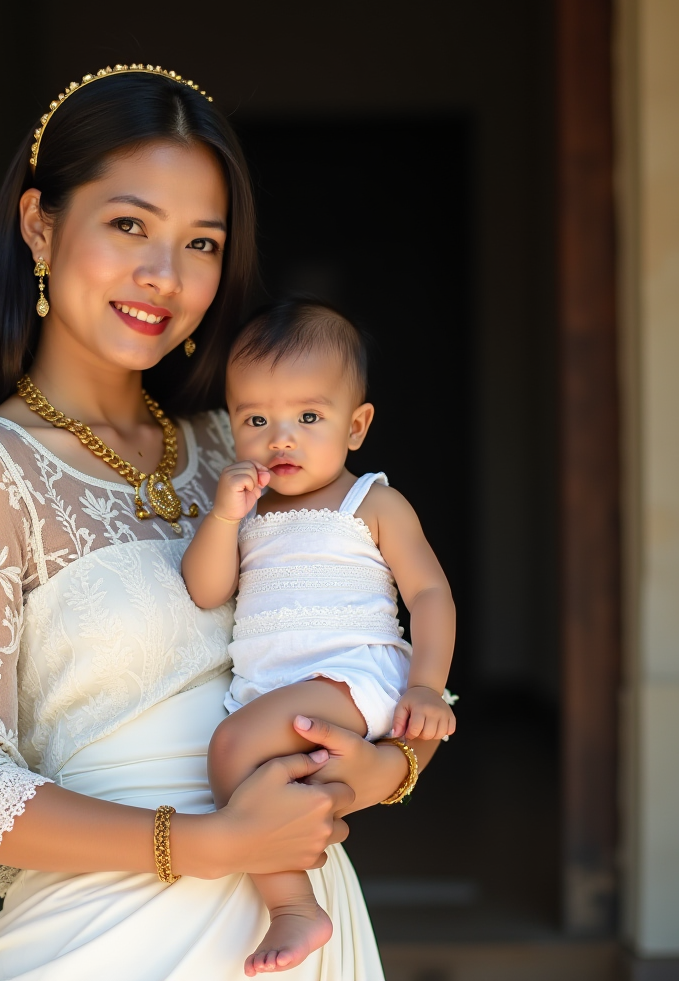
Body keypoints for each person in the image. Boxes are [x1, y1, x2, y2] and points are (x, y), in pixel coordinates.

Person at [0, 65, 441, 981]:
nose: (164, 275)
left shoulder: (247, 444)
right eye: (128, 224)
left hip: (306, 925)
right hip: (102, 942)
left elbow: (370, 642)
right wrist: (206, 844)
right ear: (40, 225)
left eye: (202, 243)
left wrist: (390, 772)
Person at [181, 300, 457, 975]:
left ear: (356, 425)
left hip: (352, 674)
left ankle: (295, 907)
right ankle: (299, 890)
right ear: (231, 426)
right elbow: (205, 589)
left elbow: (429, 594)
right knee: (264, 776)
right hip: (275, 689)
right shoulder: (247, 514)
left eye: (308, 417)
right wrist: (222, 517)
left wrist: (425, 683)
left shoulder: (372, 503)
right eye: (256, 420)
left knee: (231, 750)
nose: (282, 438)